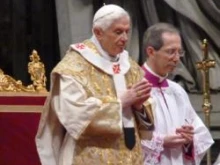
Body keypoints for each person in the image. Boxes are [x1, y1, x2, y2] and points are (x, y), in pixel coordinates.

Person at [35, 4, 154, 165]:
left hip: (131, 156)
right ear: (98, 32)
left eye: (127, 31)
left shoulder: (130, 66)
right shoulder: (74, 66)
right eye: (118, 32)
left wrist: (139, 107)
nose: (125, 38)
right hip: (87, 154)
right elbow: (74, 116)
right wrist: (121, 103)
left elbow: (146, 123)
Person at [141, 22, 214, 165]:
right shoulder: (134, 87)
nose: (176, 58)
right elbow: (125, 138)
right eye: (170, 51)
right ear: (151, 51)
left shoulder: (177, 91)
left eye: (179, 52)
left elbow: (199, 133)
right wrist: (161, 141)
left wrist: (189, 138)